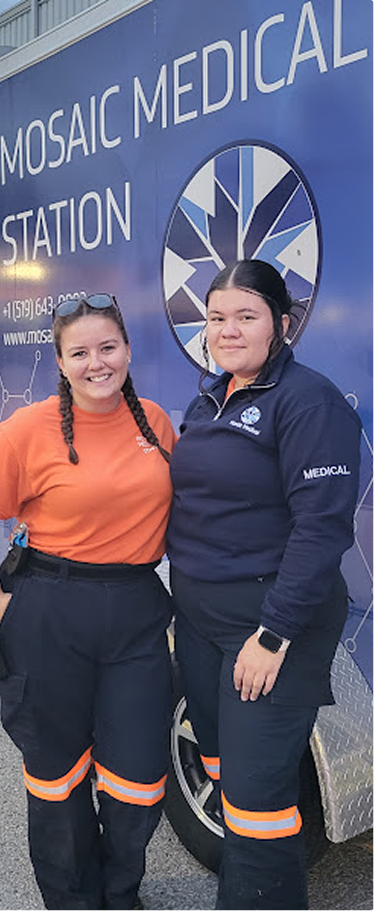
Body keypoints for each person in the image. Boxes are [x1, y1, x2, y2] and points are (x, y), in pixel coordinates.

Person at [0, 293, 177, 911]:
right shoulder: (29, 428)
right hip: (48, 608)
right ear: (60, 360)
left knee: (139, 780)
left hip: (135, 611)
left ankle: (118, 890)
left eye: (108, 348)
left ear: (128, 351)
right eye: (80, 352)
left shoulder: (154, 422)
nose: (97, 363)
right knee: (57, 779)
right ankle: (73, 900)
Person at [166, 260, 361, 911]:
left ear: (281, 323)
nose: (227, 329)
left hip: (269, 627)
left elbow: (320, 530)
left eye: (244, 316)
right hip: (199, 621)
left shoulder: (307, 400)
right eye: (216, 316)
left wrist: (272, 634)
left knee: (254, 804)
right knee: (222, 773)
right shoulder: (211, 396)